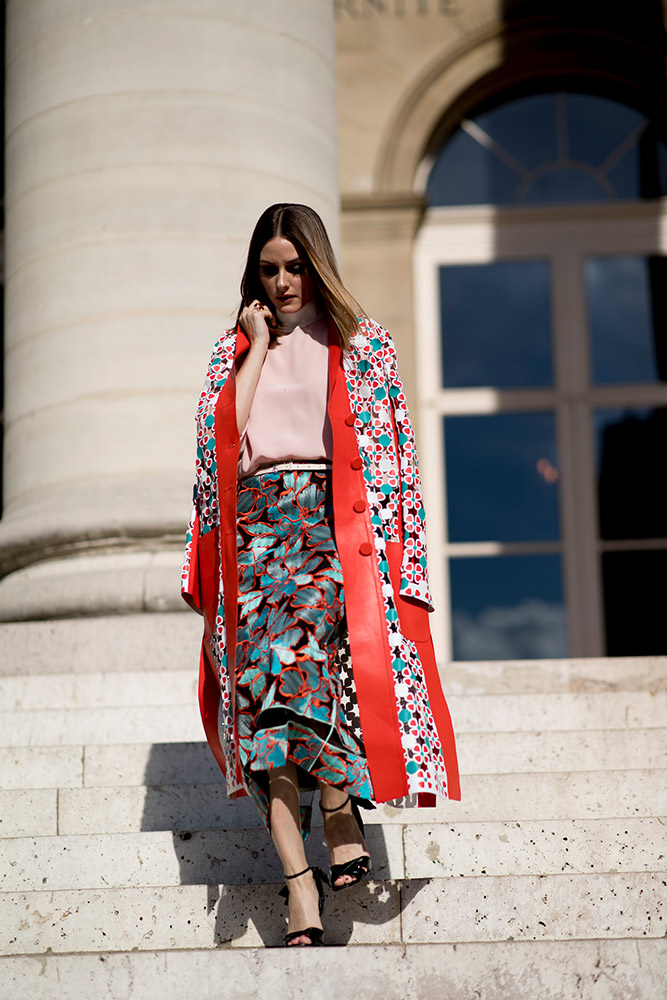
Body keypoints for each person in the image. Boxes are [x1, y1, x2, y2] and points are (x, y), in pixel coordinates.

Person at [182, 203, 460, 947]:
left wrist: (402, 566)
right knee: (264, 703)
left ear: (317, 264)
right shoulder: (233, 351)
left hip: (329, 532)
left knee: (295, 663)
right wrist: (254, 349)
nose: (282, 283)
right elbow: (222, 450)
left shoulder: (364, 346)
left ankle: (337, 808)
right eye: (269, 270)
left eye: (294, 267)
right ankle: (301, 880)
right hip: (255, 534)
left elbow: (393, 462)